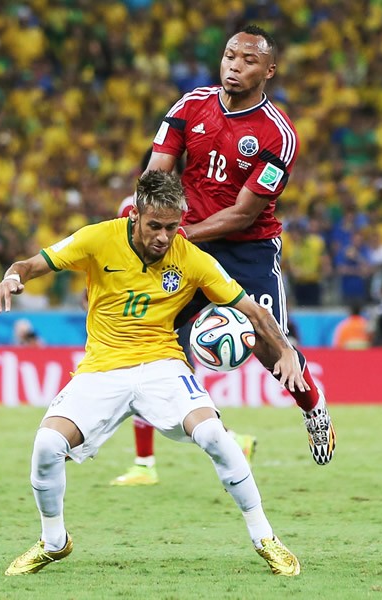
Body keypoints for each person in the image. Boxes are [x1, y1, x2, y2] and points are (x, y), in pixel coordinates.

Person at [0, 170, 306, 577]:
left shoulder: (191, 257)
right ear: (135, 216)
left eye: (172, 227)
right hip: (102, 367)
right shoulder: (97, 238)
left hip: (162, 363)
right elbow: (31, 264)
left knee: (213, 434)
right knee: (47, 445)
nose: (163, 236)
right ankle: (53, 542)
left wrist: (284, 350)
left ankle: (265, 537)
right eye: (155, 226)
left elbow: (253, 310)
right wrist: (12, 277)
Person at [113, 24, 336, 484]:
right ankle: (178, 449)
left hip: (246, 250)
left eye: (248, 59)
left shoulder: (278, 134)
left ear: (268, 70)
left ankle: (313, 405)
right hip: (186, 242)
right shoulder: (190, 105)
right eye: (230, 55)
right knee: (148, 337)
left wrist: (181, 233)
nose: (235, 65)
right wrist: (144, 214)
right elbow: (157, 171)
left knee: (268, 347)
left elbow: (241, 214)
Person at [113, 148, 256, 487]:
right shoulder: (190, 210)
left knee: (148, 389)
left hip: (153, 315)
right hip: (178, 308)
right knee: (165, 393)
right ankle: (227, 441)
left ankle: (147, 463)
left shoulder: (133, 209)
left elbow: (122, 256)